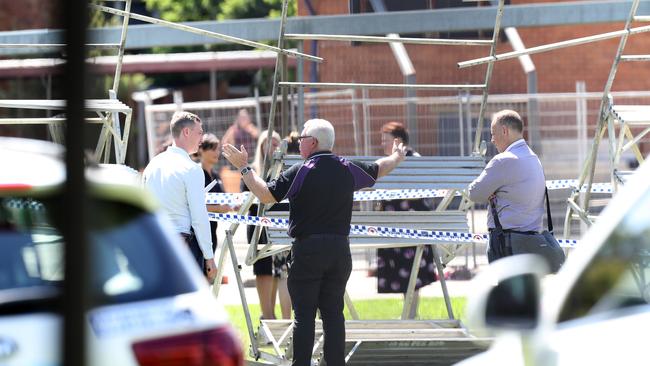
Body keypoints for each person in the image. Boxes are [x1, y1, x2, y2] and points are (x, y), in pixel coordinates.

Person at [222, 118, 406, 366]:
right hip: (339, 251)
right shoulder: (347, 167)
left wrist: (244, 168)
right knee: (333, 315)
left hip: (308, 251)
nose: (298, 143)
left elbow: (265, 194)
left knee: (304, 317)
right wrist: (396, 157)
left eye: (302, 139)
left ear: (314, 142)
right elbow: (379, 168)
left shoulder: (303, 170)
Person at [142, 111, 217, 283]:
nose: (202, 137)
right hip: (184, 247)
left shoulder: (152, 165)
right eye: (199, 132)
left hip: (154, 243)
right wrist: (209, 256)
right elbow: (199, 217)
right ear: (186, 132)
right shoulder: (191, 169)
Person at [467, 109, 546, 263]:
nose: (492, 140)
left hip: (507, 245)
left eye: (493, 133)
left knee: (507, 287)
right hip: (533, 243)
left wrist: (492, 190)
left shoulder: (502, 160)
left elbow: (474, 193)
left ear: (504, 131)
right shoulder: (534, 158)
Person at [376, 122, 436, 319]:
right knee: (410, 273)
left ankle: (410, 314)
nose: (381, 144)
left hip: (406, 228)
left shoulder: (400, 161)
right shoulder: (408, 159)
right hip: (407, 227)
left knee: (411, 272)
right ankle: (410, 314)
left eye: (385, 140)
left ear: (397, 141)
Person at [244, 130, 291, 320]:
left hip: (281, 225)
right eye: (267, 143)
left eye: (274, 143)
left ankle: (288, 320)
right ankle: (268, 318)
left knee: (284, 273)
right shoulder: (252, 170)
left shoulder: (287, 169)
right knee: (264, 272)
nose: (271, 147)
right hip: (258, 227)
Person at [196, 133, 233, 252]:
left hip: (212, 233)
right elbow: (192, 206)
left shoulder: (216, 176)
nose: (217, 153)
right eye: (213, 149)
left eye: (218, 149)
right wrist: (218, 208)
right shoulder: (195, 174)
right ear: (201, 150)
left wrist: (233, 205)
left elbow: (224, 200)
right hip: (197, 235)